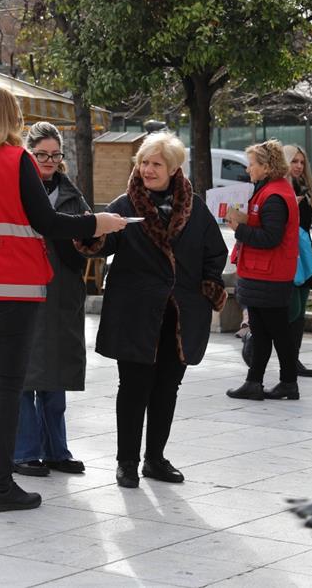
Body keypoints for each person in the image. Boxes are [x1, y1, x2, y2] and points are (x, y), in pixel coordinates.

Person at [0, 85, 126, 513]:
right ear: (8, 118)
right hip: (11, 291)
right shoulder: (17, 162)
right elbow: (47, 221)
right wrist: (97, 221)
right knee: (6, 391)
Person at [80, 132, 227, 488]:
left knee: (167, 388)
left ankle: (156, 459)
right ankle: (127, 461)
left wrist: (208, 287)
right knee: (132, 388)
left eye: (156, 163)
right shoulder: (124, 205)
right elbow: (101, 244)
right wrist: (93, 232)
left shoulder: (195, 207)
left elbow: (214, 253)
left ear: (174, 168)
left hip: (180, 313)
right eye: (143, 162)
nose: (147, 169)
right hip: (135, 312)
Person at [13, 122, 92, 477]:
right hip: (24, 289)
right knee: (24, 376)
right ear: (29, 153)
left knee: (55, 377)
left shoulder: (72, 195)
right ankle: (25, 452)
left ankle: (57, 450)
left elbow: (89, 238)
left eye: (54, 155)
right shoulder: (14, 187)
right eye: (41, 154)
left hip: (61, 293)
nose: (48, 161)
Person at [225, 140, 301, 401]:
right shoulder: (270, 190)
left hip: (269, 275)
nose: (248, 170)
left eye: (252, 165)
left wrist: (239, 228)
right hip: (263, 274)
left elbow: (271, 237)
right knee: (266, 331)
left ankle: (286, 382)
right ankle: (255, 382)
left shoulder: (275, 195)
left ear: (267, 167)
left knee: (277, 332)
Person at [284, 143, 312, 378]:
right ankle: (257, 341)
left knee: (300, 310)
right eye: (294, 161)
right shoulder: (280, 188)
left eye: (301, 162)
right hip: (289, 254)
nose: (298, 166)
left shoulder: (305, 188)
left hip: (304, 253)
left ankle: (293, 359)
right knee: (292, 309)